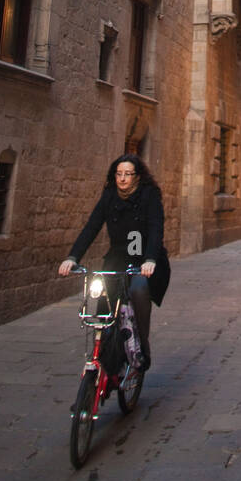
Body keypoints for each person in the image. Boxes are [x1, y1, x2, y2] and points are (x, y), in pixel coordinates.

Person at [59, 154, 170, 373]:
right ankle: (103, 356)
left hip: (144, 256)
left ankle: (142, 346)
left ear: (137, 177)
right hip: (118, 257)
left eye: (128, 174)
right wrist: (73, 257)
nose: (122, 178)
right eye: (119, 174)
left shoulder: (149, 195)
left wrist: (149, 260)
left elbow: (156, 229)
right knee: (103, 300)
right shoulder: (110, 195)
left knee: (138, 289)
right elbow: (92, 226)